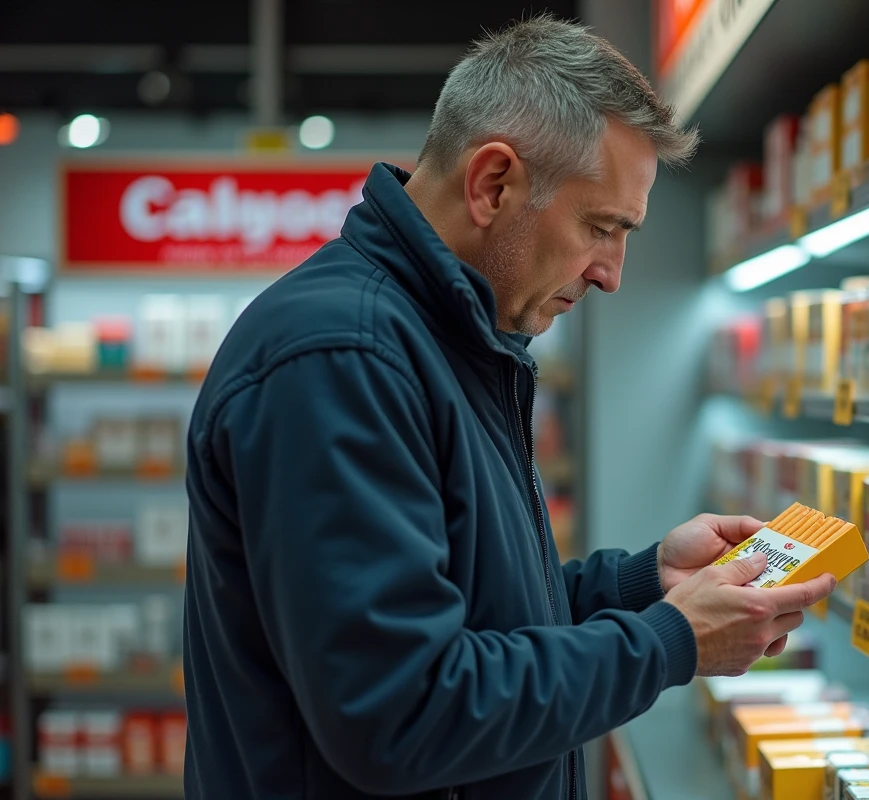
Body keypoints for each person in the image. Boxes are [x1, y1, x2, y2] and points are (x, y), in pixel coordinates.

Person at [182, 14, 835, 800]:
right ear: (494, 184)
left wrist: (641, 586)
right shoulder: (343, 359)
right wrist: (670, 642)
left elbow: (475, 614)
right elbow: (399, 711)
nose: (612, 274)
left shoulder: (447, 338)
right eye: (602, 228)